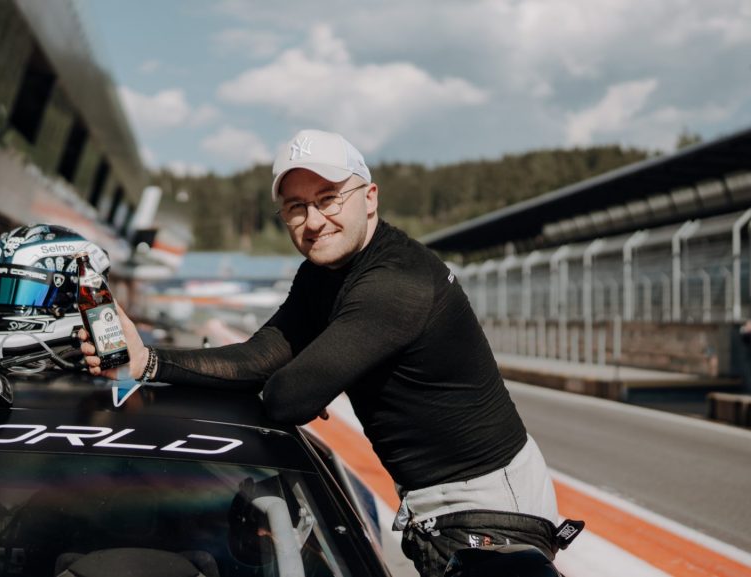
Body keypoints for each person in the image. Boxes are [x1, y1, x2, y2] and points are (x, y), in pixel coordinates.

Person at [79, 129, 568, 576]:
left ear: (369, 198)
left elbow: (288, 397)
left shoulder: (396, 282)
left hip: (492, 507)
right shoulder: (323, 274)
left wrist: (310, 380)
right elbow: (263, 355)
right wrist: (147, 361)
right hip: (441, 505)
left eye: (328, 198)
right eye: (296, 207)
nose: (313, 221)